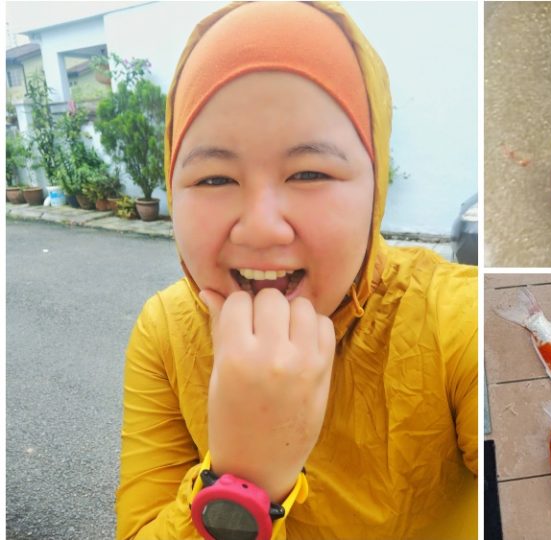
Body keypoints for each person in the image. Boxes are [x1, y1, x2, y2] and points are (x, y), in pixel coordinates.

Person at [115, 3, 478, 539]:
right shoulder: (164, 333)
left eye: (309, 172)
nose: (261, 229)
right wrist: (245, 480)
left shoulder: (456, 323)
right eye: (214, 179)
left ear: (375, 189)